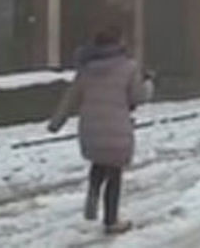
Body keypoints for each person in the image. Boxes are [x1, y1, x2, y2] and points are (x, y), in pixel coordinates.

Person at [49, 25, 154, 235]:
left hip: (90, 127)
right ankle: (111, 221)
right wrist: (148, 82)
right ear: (119, 43)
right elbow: (137, 97)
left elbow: (72, 97)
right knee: (114, 172)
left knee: (99, 161)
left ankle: (93, 192)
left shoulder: (86, 68)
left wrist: (56, 122)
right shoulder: (129, 67)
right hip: (117, 126)